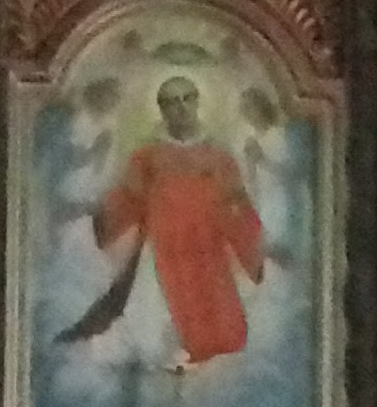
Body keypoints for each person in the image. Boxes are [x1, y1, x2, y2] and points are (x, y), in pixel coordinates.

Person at [59, 68, 265, 364]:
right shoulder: (147, 157)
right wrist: (98, 218)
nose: (181, 107)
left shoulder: (219, 159)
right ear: (162, 109)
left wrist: (250, 240)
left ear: (197, 102)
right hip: (160, 250)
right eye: (171, 101)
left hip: (205, 250)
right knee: (151, 326)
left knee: (216, 327)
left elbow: (236, 205)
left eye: (187, 98)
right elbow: (127, 199)